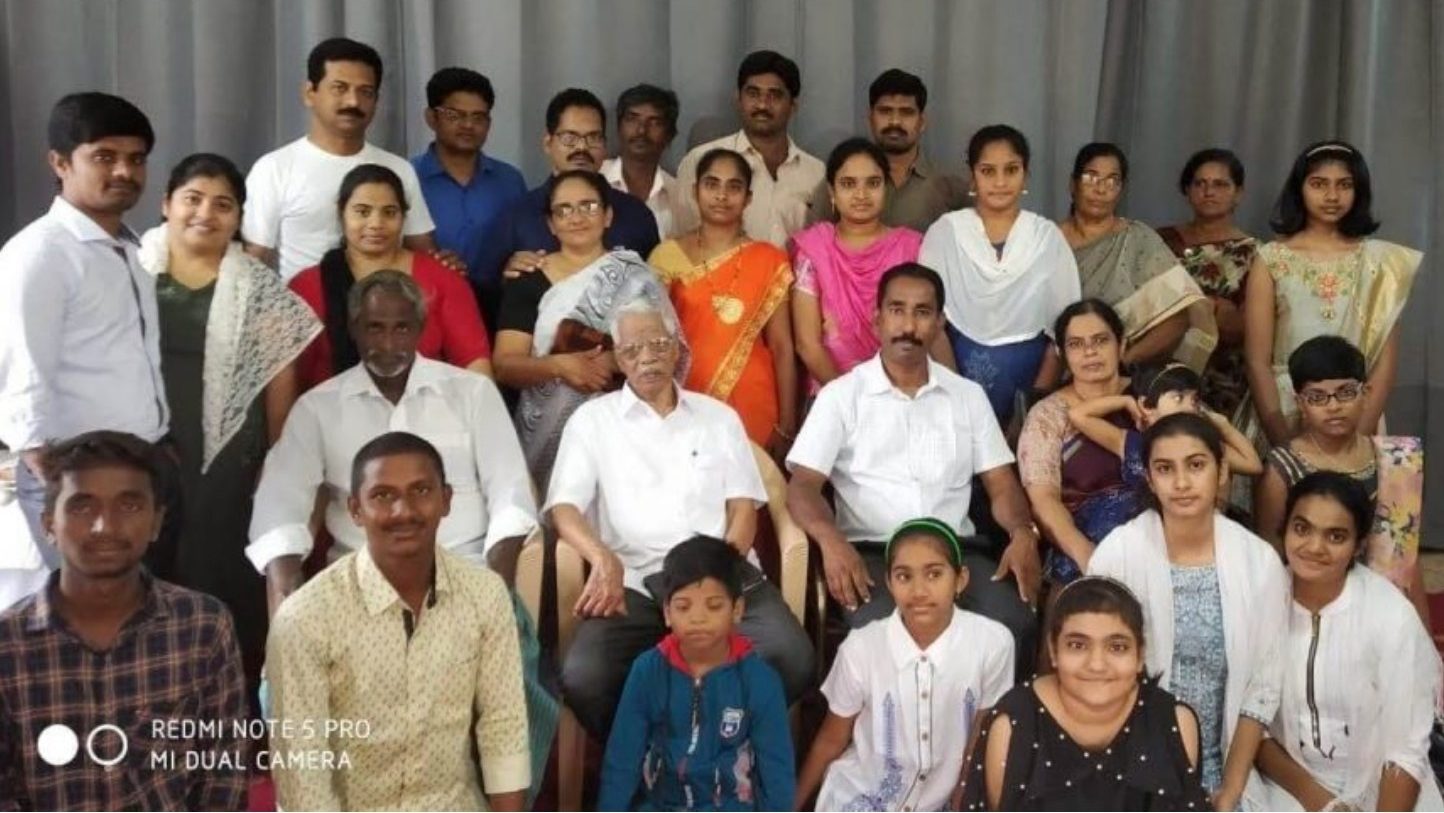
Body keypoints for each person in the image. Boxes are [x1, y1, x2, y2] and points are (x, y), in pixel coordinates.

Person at [546, 299, 812, 738]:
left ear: (676, 348)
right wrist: (603, 559)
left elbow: (742, 510)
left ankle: (711, 746)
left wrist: (716, 575)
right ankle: (658, 754)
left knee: (792, 658)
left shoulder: (718, 418)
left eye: (657, 344)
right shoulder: (591, 422)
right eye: (632, 350)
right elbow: (564, 508)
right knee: (586, 675)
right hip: (634, 579)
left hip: (719, 573)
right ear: (618, 358)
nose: (646, 358)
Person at [786, 263, 1043, 674]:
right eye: (897, 310)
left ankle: (989, 718)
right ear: (877, 319)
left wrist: (1022, 532)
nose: (908, 326)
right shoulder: (841, 396)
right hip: (874, 555)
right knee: (886, 637)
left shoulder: (967, 396)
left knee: (1014, 622)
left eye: (922, 312)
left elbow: (1001, 483)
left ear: (939, 324)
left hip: (956, 551)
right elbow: (802, 486)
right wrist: (830, 541)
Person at [266, 432, 531, 811]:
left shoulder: (485, 595)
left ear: (446, 500)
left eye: (421, 491)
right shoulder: (305, 617)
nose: (403, 511)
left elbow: (503, 728)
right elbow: (302, 771)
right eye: (382, 496)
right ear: (355, 510)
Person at [137, 153, 320, 697]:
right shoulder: (131, 269)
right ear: (166, 203)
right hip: (142, 448)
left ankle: (220, 693)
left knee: (216, 563)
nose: (206, 214)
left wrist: (277, 459)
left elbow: (282, 378)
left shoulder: (259, 288)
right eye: (192, 199)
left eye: (223, 205)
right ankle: (148, 684)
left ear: (239, 217)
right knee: (145, 556)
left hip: (227, 455)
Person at [247, 270, 535, 610]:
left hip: (463, 575)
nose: (387, 345)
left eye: (401, 328)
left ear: (420, 328)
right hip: (358, 585)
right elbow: (279, 502)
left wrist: (496, 591)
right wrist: (286, 586)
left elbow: (510, 495)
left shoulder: (473, 393)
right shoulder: (317, 408)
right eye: (374, 328)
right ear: (353, 328)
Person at [0, 431, 248, 810]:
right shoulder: (8, 643)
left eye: (129, 505)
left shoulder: (202, 626)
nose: (105, 526)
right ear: (49, 524)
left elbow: (223, 772)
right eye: (82, 506)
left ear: (156, 523)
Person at [0, 92, 174, 574]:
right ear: (60, 163)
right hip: (76, 474)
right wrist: (50, 472)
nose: (124, 171)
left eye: (136, 159)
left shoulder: (129, 249)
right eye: (104, 157)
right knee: (85, 606)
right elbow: (21, 367)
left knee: (135, 604)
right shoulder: (41, 253)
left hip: (138, 462)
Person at [1088, 413, 1290, 808]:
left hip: (1222, 767)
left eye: (1196, 465)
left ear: (1222, 471)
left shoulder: (1258, 562)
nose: (1181, 483)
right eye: (1165, 469)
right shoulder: (1119, 554)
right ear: (1149, 478)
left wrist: (1230, 790)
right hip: (1127, 762)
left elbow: (1262, 688)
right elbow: (1095, 672)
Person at [794, 519, 1015, 811]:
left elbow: (982, 739)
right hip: (865, 797)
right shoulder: (862, 646)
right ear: (889, 583)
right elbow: (831, 739)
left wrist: (963, 802)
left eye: (934, 574)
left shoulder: (993, 643)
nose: (919, 591)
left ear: (960, 579)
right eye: (903, 576)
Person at [1256, 472, 1444, 811]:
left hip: (1387, 784)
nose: (1314, 547)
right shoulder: (1260, 603)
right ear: (1285, 529)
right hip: (1292, 786)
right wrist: (1322, 802)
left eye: (1335, 536)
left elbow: (1405, 750)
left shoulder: (1390, 615)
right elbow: (1251, 725)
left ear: (1358, 545)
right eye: (1302, 528)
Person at [492, 170, 678, 489]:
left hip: (627, 427)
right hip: (547, 433)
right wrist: (559, 366)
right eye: (564, 210)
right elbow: (505, 365)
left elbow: (666, 349)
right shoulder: (528, 280)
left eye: (588, 206)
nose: (577, 218)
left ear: (608, 216)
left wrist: (614, 361)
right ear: (551, 223)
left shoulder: (635, 276)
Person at [961, 577, 1210, 811]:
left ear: (1140, 655)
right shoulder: (1014, 725)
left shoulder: (1173, 722)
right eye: (1077, 645)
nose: (1097, 665)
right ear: (1053, 650)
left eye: (1117, 647)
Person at [1241, 140, 1422, 450]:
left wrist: (1354, 441)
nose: (1332, 196)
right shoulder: (1271, 259)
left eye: (1344, 185)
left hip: (1356, 411)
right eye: (1319, 184)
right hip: (1284, 411)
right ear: (1299, 188)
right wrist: (1284, 444)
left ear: (1359, 190)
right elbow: (1257, 361)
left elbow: (1384, 366)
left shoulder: (1381, 263)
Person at [598, 536, 796, 811]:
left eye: (714, 606)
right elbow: (622, 759)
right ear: (667, 613)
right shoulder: (647, 671)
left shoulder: (760, 681)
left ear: (737, 610)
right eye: (683, 607)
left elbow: (777, 774)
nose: (698, 618)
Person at [1253, 335, 1431, 623]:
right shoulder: (1282, 468)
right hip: (1313, 613)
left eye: (1345, 392)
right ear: (1300, 403)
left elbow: (1406, 558)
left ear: (1366, 393)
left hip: (1385, 612)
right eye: (1317, 397)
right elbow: (1271, 562)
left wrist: (1422, 632)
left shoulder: (1396, 459)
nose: (1333, 406)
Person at [920, 125, 1079, 423]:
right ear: (972, 176)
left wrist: (1032, 409)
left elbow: (1062, 333)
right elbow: (930, 320)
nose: (1000, 182)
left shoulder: (1047, 238)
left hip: (1031, 395)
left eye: (1011, 170)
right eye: (988, 171)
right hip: (951, 393)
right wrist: (959, 399)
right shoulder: (945, 233)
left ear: (1026, 175)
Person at [243, 37, 436, 280]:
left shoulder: (398, 169)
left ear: (376, 100)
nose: (353, 101)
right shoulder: (274, 169)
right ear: (310, 93)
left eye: (365, 92)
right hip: (303, 302)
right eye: (339, 88)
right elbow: (254, 261)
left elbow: (423, 255)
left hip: (385, 302)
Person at [287, 163, 491, 390]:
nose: (376, 224)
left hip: (428, 408)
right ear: (341, 213)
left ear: (404, 217)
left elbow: (475, 365)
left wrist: (482, 410)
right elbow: (289, 379)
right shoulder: (306, 287)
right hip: (331, 410)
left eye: (389, 212)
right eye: (362, 212)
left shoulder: (443, 280)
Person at [473, 88, 661, 331]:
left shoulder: (636, 215)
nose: (582, 148)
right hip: (535, 350)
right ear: (548, 143)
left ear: (605, 146)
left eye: (593, 138)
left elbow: (655, 292)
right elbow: (482, 294)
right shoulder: (517, 215)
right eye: (570, 138)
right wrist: (506, 276)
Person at [648, 148, 798, 452]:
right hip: (686, 398)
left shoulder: (769, 259)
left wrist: (787, 423)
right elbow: (652, 340)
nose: (722, 195)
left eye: (734, 187)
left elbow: (782, 346)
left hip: (755, 403)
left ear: (748, 198)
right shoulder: (666, 256)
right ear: (695, 191)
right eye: (712, 184)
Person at [1061, 142, 1218, 372]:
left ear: (1121, 189)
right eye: (1091, 177)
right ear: (1072, 184)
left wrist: (1120, 363)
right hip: (1056, 368)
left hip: (1120, 374)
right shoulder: (1048, 240)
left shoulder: (1138, 238)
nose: (1101, 189)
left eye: (1112, 180)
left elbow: (1178, 315)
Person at [791, 138, 930, 388]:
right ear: (831, 192)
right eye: (848, 184)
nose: (861, 195)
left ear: (886, 188)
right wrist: (852, 400)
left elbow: (927, 331)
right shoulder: (815, 249)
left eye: (873, 183)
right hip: (833, 394)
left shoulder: (912, 247)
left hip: (903, 393)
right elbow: (807, 344)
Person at [1018, 300, 1134, 585]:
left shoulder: (1151, 397)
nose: (1090, 352)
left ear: (1122, 345)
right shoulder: (1048, 415)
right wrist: (1088, 557)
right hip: (1082, 550)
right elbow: (1043, 499)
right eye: (1076, 344)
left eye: (1101, 340)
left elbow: (1205, 454)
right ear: (1061, 353)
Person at [675, 50, 825, 246]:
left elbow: (823, 245)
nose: (762, 104)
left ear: (793, 105)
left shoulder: (816, 173)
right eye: (753, 94)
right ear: (738, 99)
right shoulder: (700, 161)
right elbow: (684, 241)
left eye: (775, 95)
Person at [1156, 148, 1258, 416]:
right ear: (1187, 190)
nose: (1209, 192)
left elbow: (1247, 325)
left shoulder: (1254, 253)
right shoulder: (1159, 241)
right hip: (1161, 363)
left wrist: (1203, 311)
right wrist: (1208, 308)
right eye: (1200, 183)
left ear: (1238, 193)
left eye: (1220, 184)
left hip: (1222, 376)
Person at [805, 68, 968, 232]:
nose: (895, 121)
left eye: (906, 112)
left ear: (922, 121)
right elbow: (814, 239)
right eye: (885, 111)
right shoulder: (843, 180)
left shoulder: (949, 184)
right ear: (871, 118)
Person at [411, 67, 527, 277]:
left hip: (499, 295)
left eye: (478, 117)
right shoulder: (407, 177)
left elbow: (524, 245)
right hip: (427, 294)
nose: (468, 125)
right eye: (454, 115)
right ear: (431, 118)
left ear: (489, 123)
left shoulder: (510, 180)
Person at [601, 83, 682, 239]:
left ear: (669, 134)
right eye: (632, 119)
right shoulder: (595, 179)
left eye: (655, 122)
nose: (641, 130)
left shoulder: (677, 196)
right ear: (618, 127)